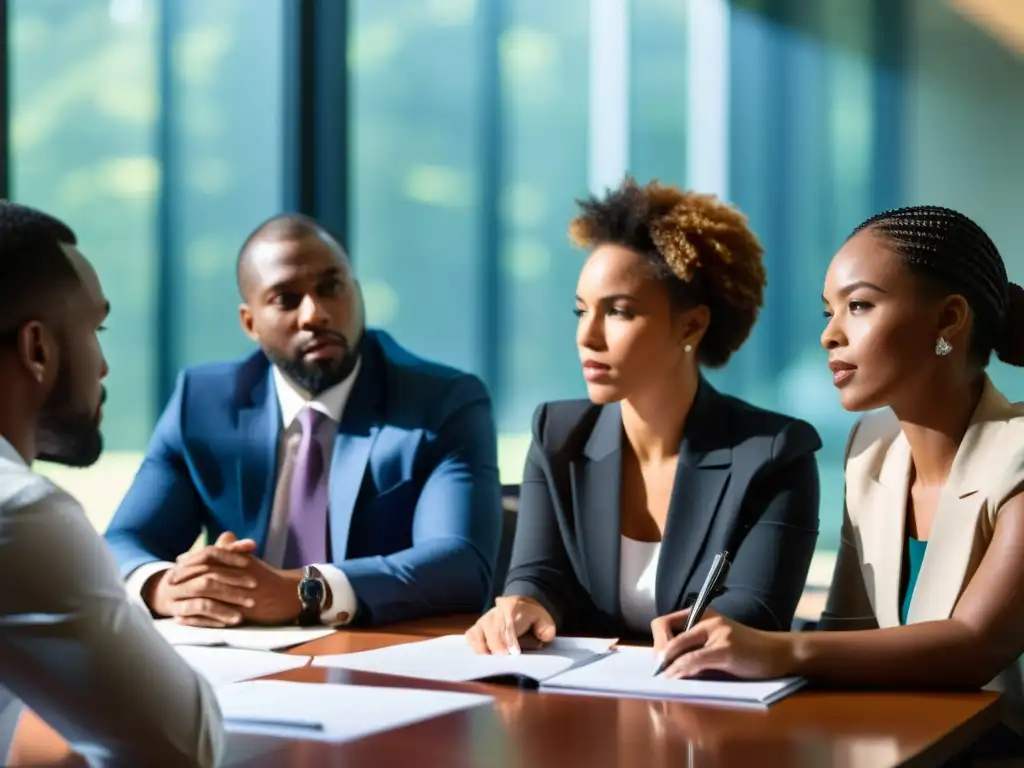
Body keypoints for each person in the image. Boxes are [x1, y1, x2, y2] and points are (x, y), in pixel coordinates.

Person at [650, 205, 1024, 742]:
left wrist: (776, 649)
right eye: (828, 311)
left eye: (859, 305)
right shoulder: (870, 450)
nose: (831, 335)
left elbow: (973, 646)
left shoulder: (1017, 456)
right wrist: (718, 642)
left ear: (948, 320)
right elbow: (846, 638)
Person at [466, 177, 822, 652]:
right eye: (580, 311)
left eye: (619, 312)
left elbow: (757, 612)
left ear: (691, 325)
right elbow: (539, 575)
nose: (587, 336)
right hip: (579, 705)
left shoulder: (775, 455)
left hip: (710, 706)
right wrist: (522, 604)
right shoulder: (557, 436)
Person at [105, 213, 502, 629]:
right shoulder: (202, 402)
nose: (315, 314)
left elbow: (461, 563)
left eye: (331, 288)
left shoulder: (442, 402)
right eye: (286, 299)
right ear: (249, 322)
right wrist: (168, 587)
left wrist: (304, 591)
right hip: (239, 661)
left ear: (357, 293)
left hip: (374, 656)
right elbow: (123, 542)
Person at [0, 202, 223, 766]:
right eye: (95, 328)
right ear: (38, 349)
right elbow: (182, 747)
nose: (102, 366)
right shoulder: (19, 512)